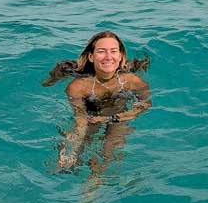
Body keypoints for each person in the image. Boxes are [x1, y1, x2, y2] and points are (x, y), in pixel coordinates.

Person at [42, 31, 151, 174]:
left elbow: (145, 104)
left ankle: (95, 184)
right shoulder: (78, 87)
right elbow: (80, 120)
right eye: (101, 51)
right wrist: (70, 152)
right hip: (91, 115)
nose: (108, 57)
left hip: (119, 116)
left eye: (113, 51)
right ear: (91, 57)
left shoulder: (132, 81)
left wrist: (111, 118)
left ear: (120, 57)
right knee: (80, 142)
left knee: (109, 151)